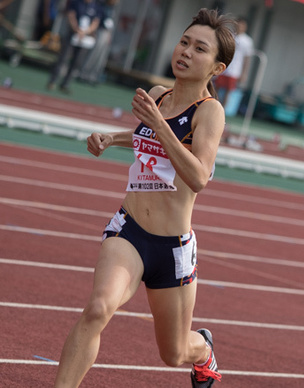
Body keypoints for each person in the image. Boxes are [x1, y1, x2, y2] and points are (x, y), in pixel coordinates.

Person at [54, 8, 235, 387]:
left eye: (199, 48)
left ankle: (203, 348)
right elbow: (145, 136)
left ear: (216, 68)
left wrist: (157, 124)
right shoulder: (159, 95)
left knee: (173, 353)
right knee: (97, 308)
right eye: (184, 42)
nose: (185, 51)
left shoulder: (210, 112)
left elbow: (199, 175)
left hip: (172, 248)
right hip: (130, 230)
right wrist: (112, 138)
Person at [46, 0, 102, 94]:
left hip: (85, 38)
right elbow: (71, 15)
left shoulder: (96, 6)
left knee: (76, 62)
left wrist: (85, 32)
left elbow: (95, 22)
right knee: (63, 58)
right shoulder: (76, 2)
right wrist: (76, 29)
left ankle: (65, 84)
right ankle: (52, 81)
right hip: (72, 34)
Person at [214, 16, 253, 111]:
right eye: (238, 23)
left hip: (235, 70)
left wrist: (244, 73)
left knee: (228, 91)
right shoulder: (229, 35)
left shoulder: (247, 41)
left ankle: (221, 112)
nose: (239, 26)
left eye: (242, 24)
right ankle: (213, 108)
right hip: (224, 66)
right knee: (216, 88)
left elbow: (247, 59)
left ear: (245, 27)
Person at [78, 0, 118, 85]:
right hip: (100, 30)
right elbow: (98, 19)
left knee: (101, 56)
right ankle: (83, 73)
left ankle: (93, 75)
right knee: (94, 53)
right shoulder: (101, 5)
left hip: (107, 32)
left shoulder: (112, 8)